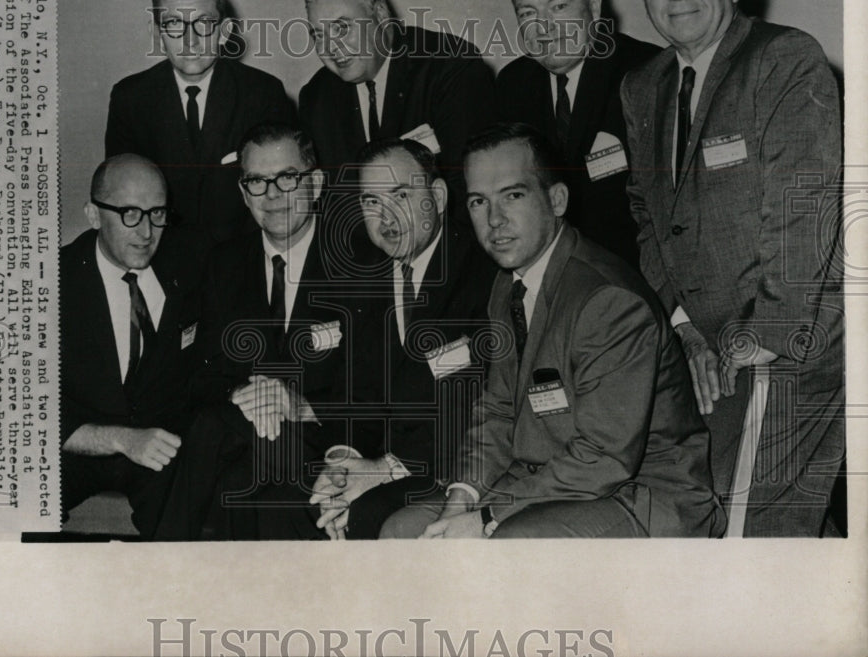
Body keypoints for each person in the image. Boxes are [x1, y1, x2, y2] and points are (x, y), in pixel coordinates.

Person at [381, 124, 723, 539]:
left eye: (513, 195)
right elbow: (499, 410)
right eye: (478, 201)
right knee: (404, 531)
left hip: (640, 496)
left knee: (505, 545)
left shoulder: (607, 300)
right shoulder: (507, 285)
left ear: (556, 199)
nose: (494, 220)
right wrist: (462, 498)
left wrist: (487, 518)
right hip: (549, 480)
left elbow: (604, 458)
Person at [621, 0, 844, 536]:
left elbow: (808, 212)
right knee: (711, 519)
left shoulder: (784, 59)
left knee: (748, 535)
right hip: (710, 349)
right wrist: (687, 329)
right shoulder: (644, 87)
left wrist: (750, 342)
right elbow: (648, 215)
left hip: (791, 340)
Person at [194, 123, 376, 539]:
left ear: (315, 183)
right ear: (243, 193)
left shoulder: (361, 262)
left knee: (226, 456)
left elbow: (374, 395)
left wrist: (299, 406)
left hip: (325, 442)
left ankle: (161, 563)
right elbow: (202, 379)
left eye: (287, 178)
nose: (272, 195)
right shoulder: (224, 263)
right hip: (246, 441)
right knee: (240, 479)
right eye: (257, 182)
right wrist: (244, 398)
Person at [309, 138, 496, 539]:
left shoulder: (483, 271)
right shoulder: (364, 277)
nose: (386, 217)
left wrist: (384, 469)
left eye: (401, 195)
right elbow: (355, 394)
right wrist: (344, 462)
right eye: (371, 202)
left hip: (459, 466)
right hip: (390, 462)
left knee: (365, 517)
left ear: (439, 197)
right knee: (304, 503)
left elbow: (475, 405)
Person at [60, 154, 221, 539]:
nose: (147, 231)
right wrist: (120, 439)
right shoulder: (50, 282)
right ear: (94, 215)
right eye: (130, 213)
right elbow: (28, 411)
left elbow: (209, 367)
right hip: (78, 446)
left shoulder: (192, 263)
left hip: (160, 446)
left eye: (157, 213)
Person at [106, 0, 296, 258]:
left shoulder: (263, 93)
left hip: (243, 260)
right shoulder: (130, 99)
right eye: (173, 24)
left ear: (224, 31)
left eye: (204, 23)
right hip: (161, 260)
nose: (189, 40)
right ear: (157, 34)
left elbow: (280, 198)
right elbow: (125, 201)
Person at [496, 0, 659, 268]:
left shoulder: (647, 71)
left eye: (558, 7)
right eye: (528, 14)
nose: (543, 28)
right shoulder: (512, 85)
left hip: (635, 278)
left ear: (594, 7)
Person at [298, 0, 494, 228]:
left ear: (379, 13)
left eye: (341, 28)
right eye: (318, 35)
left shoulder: (450, 66)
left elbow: (470, 192)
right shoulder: (316, 97)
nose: (331, 47)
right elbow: (332, 206)